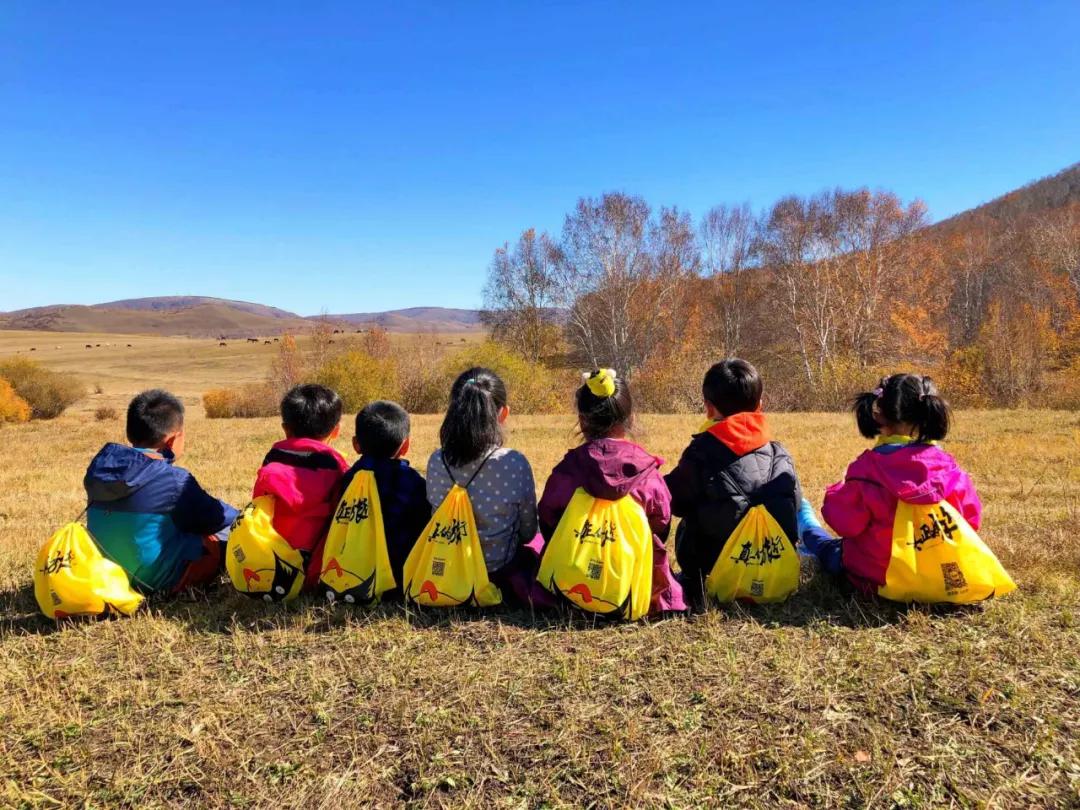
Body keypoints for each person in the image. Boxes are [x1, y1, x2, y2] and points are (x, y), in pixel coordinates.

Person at [798, 373, 981, 595]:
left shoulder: (867, 470)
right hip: (939, 575)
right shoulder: (950, 470)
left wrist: (836, 492)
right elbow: (971, 522)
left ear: (880, 417)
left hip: (877, 577)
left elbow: (845, 524)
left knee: (827, 547)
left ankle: (804, 522)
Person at [537, 369, 686, 615]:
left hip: (569, 576)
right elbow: (661, 525)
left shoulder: (568, 470)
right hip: (632, 583)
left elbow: (548, 519)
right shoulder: (647, 472)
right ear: (629, 418)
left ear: (582, 420)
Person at [664, 359, 802, 611]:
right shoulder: (780, 453)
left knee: (689, 522)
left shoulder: (701, 452)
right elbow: (795, 505)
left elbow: (675, 502)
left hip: (713, 573)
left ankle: (695, 579)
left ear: (708, 407)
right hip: (775, 571)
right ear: (760, 404)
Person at [83, 389, 237, 595]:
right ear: (173, 440)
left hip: (107, 575)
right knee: (231, 532)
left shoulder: (100, 469)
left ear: (130, 433)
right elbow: (219, 517)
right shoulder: (174, 480)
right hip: (157, 581)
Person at [423, 367, 539, 601]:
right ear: (503, 413)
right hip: (496, 575)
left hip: (445, 570)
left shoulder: (437, 460)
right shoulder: (513, 463)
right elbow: (528, 533)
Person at [253, 383, 349, 590]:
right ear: (336, 430)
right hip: (318, 568)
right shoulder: (336, 465)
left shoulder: (273, 458)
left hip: (269, 563)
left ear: (285, 429)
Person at [334, 400, 430, 597]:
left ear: (356, 445)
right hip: (398, 578)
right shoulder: (412, 482)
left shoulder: (348, 480)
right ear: (406, 446)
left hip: (352, 573)